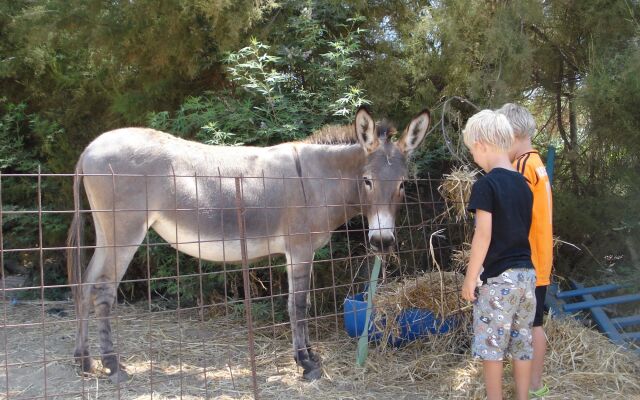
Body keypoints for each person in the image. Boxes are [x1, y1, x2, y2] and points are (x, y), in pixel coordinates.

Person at [461, 109, 537, 400]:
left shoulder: (486, 184)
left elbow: (484, 234)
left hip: (499, 281)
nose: (473, 158)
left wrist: (470, 278)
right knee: (521, 343)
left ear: (482, 144)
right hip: (527, 276)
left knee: (491, 346)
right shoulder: (524, 185)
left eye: (471, 151)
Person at [498, 103, 553, 398]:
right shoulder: (537, 164)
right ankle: (535, 383)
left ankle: (531, 386)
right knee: (536, 324)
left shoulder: (520, 168)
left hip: (526, 261)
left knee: (529, 326)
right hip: (541, 259)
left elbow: (511, 214)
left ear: (514, 134)